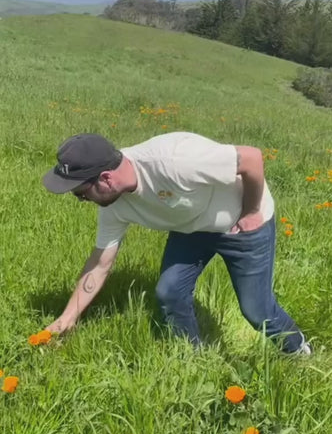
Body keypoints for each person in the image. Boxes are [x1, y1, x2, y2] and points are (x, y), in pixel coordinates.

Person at [42, 132, 311, 354]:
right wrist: (68, 317)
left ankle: (298, 350)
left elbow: (252, 158)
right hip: (192, 228)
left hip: (242, 224)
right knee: (169, 293)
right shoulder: (113, 204)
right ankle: (194, 357)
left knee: (257, 311)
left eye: (81, 194)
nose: (82, 201)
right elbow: (100, 264)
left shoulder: (174, 161)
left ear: (105, 179)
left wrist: (252, 211)